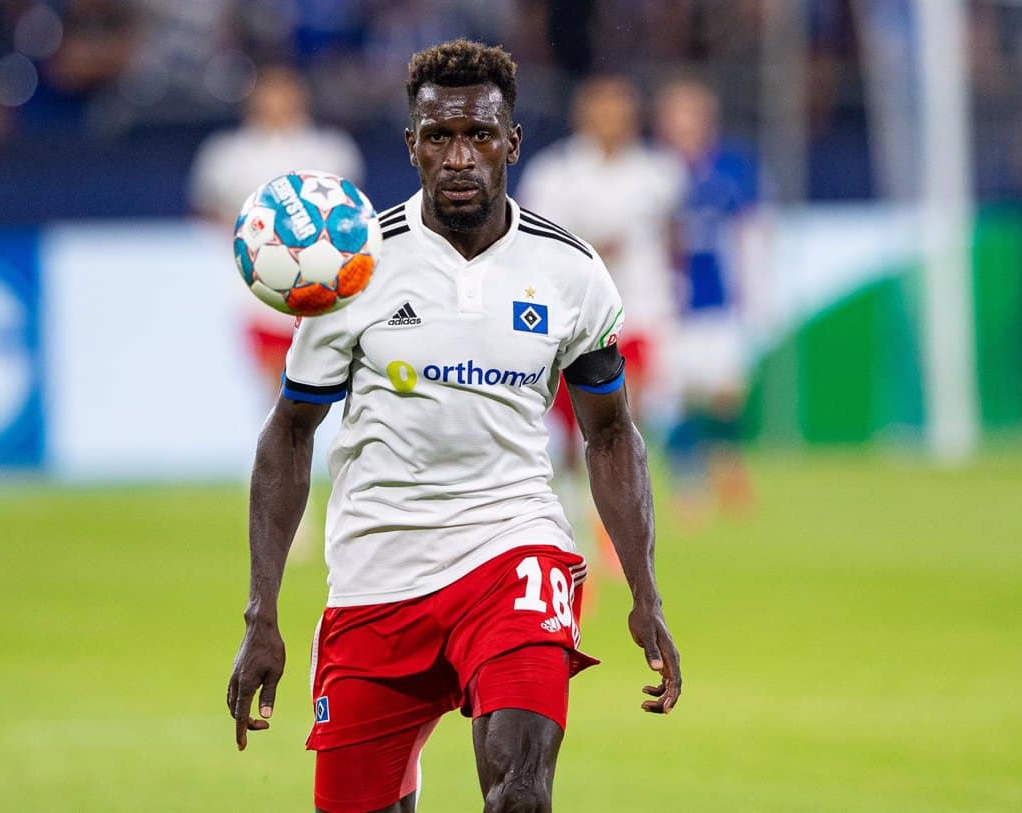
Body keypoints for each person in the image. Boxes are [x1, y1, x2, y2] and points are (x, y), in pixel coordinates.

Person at [226, 40, 681, 813]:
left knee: (521, 792)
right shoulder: (353, 272)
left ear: (512, 142)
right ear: (412, 147)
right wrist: (261, 614)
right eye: (439, 137)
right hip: (377, 576)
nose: (460, 156)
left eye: (479, 135)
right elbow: (289, 435)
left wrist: (644, 589)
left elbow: (610, 433)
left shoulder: (569, 271)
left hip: (511, 550)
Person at [518, 74, 684, 563]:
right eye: (602, 110)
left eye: (621, 110)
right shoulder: (555, 174)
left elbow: (675, 238)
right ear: (584, 116)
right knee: (571, 432)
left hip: (642, 312)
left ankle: (621, 527)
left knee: (632, 420)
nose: (613, 120)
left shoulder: (659, 173)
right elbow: (536, 240)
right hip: (576, 321)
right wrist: (590, 248)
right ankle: (569, 516)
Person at [189, 65, 365, 387]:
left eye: (285, 91)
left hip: (318, 278)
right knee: (272, 385)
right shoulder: (225, 153)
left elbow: (352, 215)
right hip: (255, 283)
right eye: (269, 92)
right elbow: (205, 212)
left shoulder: (331, 148)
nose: (277, 101)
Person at [654, 76, 760, 524]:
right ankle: (687, 483)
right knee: (675, 394)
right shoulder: (652, 173)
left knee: (724, 392)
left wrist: (753, 288)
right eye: (676, 116)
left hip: (717, 299)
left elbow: (751, 229)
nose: (684, 124)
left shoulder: (731, 168)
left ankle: (726, 461)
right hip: (666, 302)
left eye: (691, 114)